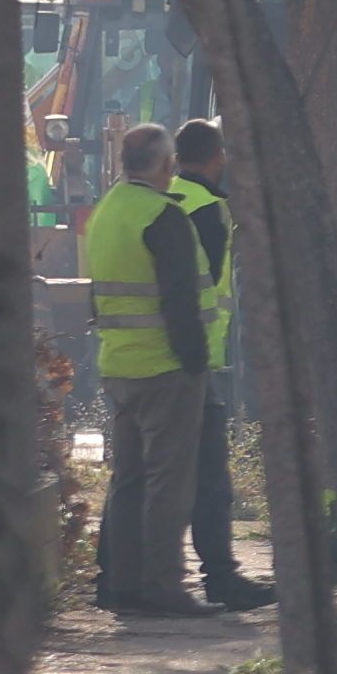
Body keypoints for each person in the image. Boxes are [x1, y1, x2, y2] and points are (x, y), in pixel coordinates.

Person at [85, 123, 214, 617]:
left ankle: (124, 583)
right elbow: (180, 301)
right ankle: (164, 585)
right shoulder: (162, 215)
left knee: (129, 479)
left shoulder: (106, 212)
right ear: (166, 165)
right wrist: (195, 363)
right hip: (166, 367)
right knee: (168, 481)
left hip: (118, 363)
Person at [164, 121, 276, 610]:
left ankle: (128, 574)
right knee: (211, 477)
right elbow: (199, 289)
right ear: (217, 156)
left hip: (148, 356)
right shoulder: (209, 209)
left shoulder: (162, 196)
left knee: (146, 475)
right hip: (195, 359)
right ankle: (221, 577)